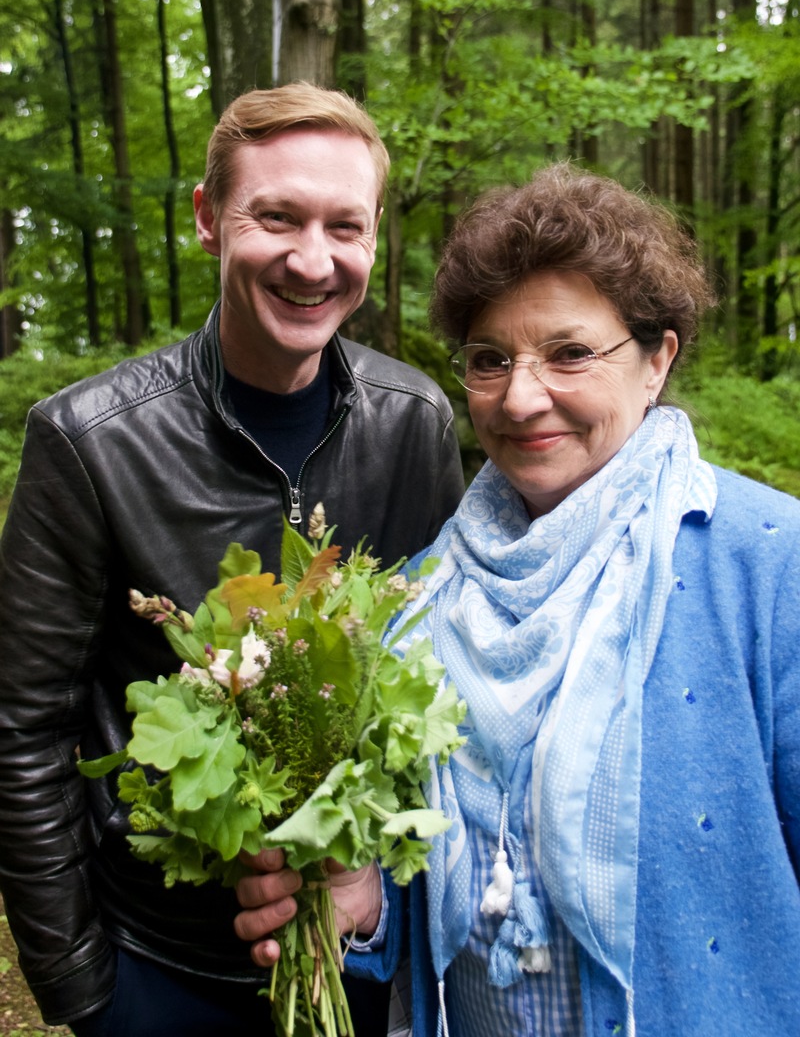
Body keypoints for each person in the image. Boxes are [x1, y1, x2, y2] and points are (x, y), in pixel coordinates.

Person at [234, 162, 800, 1036]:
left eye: (570, 353)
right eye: (490, 360)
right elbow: (422, 900)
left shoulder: (766, 565)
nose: (522, 397)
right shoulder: (419, 596)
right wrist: (365, 900)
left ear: (657, 360)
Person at [0, 82, 465, 1037]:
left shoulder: (415, 423)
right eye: (277, 217)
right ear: (211, 220)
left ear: (376, 238)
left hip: (366, 965)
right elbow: (21, 731)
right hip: (163, 973)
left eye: (347, 226)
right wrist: (89, 993)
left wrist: (391, 910)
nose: (312, 259)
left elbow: (441, 673)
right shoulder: (90, 443)